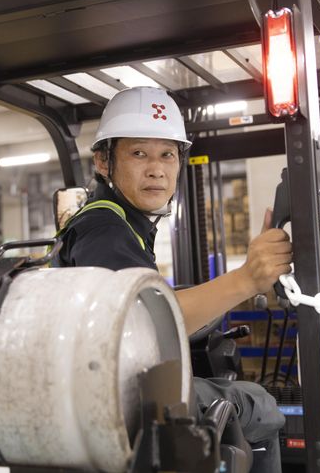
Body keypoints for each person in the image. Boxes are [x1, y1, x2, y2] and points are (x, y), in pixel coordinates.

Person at [53, 86, 290, 473]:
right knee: (260, 405)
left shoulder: (122, 222)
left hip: (112, 386)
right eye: (139, 153)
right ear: (103, 161)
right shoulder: (104, 229)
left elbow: (144, 303)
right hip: (117, 400)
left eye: (167, 154)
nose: (156, 169)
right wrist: (247, 279)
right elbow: (147, 325)